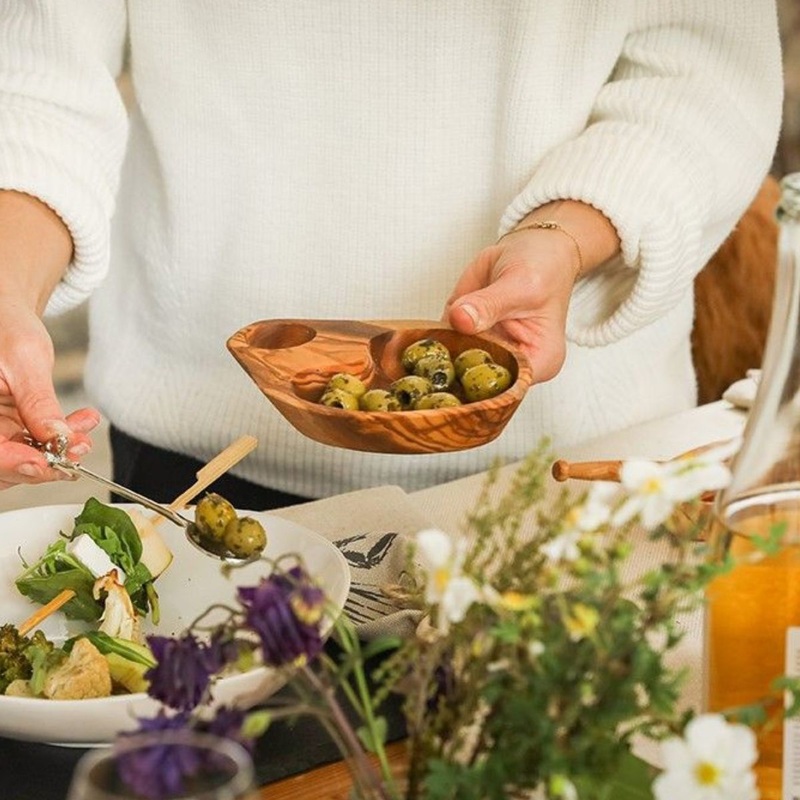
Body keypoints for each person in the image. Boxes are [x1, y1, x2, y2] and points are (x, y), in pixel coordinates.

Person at [0, 2, 784, 509]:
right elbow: (36, 76)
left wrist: (565, 236)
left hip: (576, 469)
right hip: (199, 467)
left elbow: (701, 71)